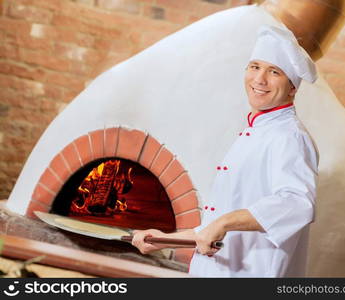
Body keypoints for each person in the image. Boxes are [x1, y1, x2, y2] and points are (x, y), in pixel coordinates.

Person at [131, 24, 319, 277]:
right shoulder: (255, 130)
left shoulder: (289, 137)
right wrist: (164, 240)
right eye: (254, 67)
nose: (259, 79)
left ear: (293, 87)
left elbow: (297, 204)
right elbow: (215, 229)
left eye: (274, 71)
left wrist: (224, 222)